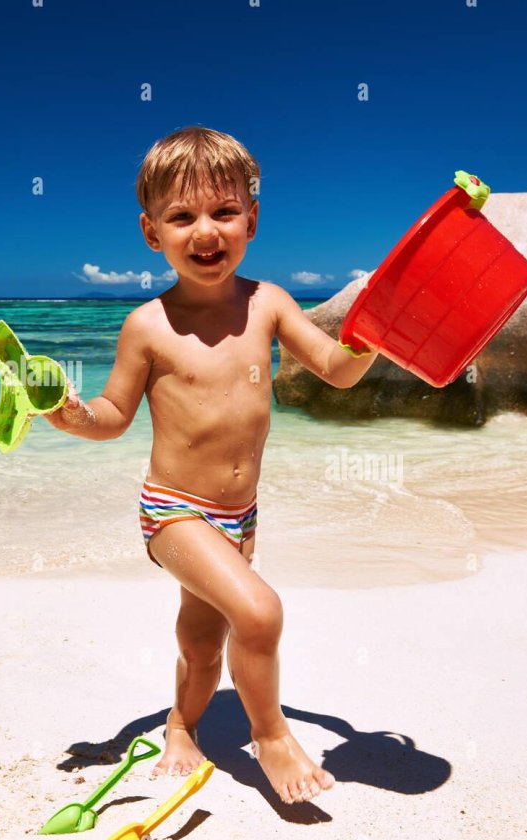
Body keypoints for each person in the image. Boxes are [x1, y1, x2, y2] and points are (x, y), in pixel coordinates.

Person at [46, 126, 379, 803]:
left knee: (203, 643)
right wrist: (74, 416)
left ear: (251, 219)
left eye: (224, 212)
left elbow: (338, 370)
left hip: (240, 515)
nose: (206, 230)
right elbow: (114, 415)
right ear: (151, 232)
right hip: (172, 513)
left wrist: (373, 336)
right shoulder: (147, 326)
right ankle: (272, 735)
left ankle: (182, 725)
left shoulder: (271, 304)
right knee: (259, 613)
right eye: (182, 216)